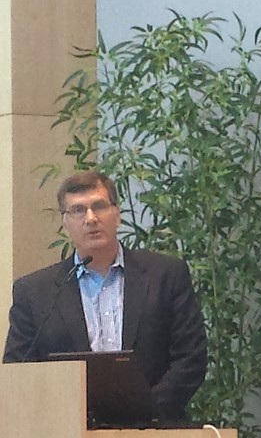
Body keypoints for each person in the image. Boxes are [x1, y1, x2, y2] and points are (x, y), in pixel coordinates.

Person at [3, 170, 207, 423]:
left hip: (156, 433)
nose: (90, 218)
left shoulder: (166, 275)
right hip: (68, 436)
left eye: (99, 206)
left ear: (117, 214)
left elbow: (190, 359)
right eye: (78, 210)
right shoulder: (34, 292)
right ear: (64, 222)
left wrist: (144, 411)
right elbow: (19, 372)